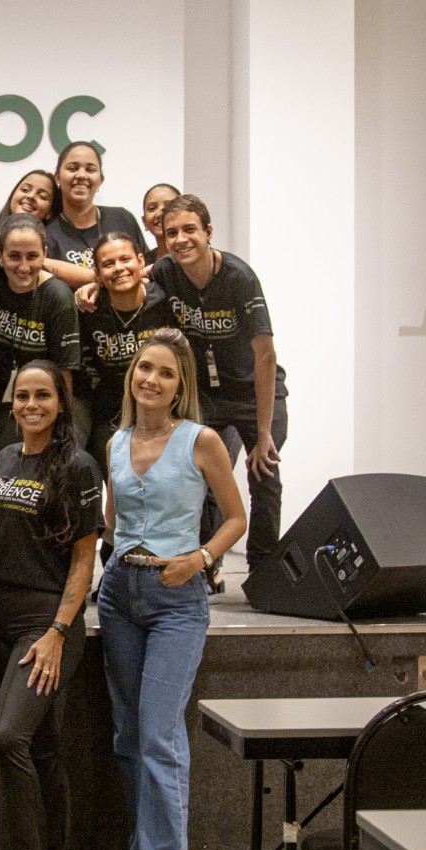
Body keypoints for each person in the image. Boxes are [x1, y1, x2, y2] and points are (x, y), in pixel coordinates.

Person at [99, 328, 245, 850]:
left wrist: (200, 559)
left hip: (175, 598)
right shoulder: (116, 441)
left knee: (160, 737)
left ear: (181, 385)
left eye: (164, 372)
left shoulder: (200, 440)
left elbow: (236, 518)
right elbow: (112, 521)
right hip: (119, 594)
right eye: (143, 368)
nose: (151, 380)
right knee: (129, 737)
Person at [0, 361, 102, 850]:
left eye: (42, 396)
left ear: (60, 403)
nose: (30, 404)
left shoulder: (79, 466)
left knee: (8, 738)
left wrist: (57, 631)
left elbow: (83, 559)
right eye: (22, 395)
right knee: (44, 749)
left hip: (47, 619)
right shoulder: (2, 459)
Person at [149, 194, 286, 572]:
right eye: (172, 233)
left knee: (264, 472)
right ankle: (203, 567)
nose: (181, 239)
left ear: (208, 231)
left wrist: (262, 433)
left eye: (189, 229)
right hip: (207, 393)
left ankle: (261, 569)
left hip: (254, 391)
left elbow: (265, 356)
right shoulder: (166, 270)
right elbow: (127, 278)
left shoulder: (239, 278)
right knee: (198, 473)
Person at [0, 215, 82, 453]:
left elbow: (64, 372)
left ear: (44, 254)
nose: (24, 267)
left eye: (32, 256)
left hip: (43, 397)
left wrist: (60, 424)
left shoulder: (57, 297)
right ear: (0, 256)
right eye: (14, 256)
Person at [79, 232, 176, 479]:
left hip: (163, 411)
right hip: (111, 413)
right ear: (97, 273)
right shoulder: (89, 308)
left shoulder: (164, 300)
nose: (118, 268)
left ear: (140, 261)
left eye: (125, 259)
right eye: (108, 264)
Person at [41, 142, 146, 290]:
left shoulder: (122, 218)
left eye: (90, 169)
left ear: (100, 179)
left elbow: (144, 270)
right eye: (73, 168)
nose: (81, 175)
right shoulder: (46, 233)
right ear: (57, 177)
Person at [139, 182, 181, 265]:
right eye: (152, 208)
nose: (160, 214)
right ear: (144, 222)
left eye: (169, 206)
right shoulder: (142, 264)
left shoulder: (196, 258)